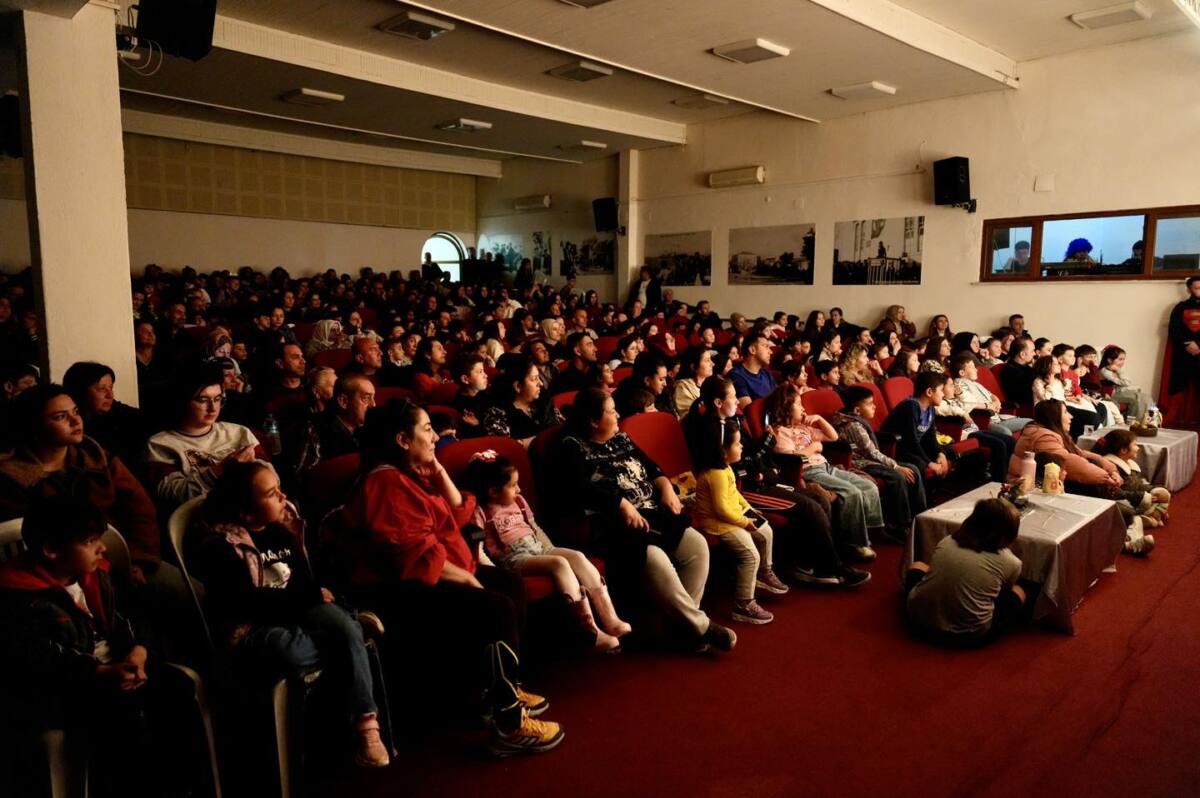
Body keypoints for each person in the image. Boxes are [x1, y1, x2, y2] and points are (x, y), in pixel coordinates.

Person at [336, 400, 564, 756]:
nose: (433, 437)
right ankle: (509, 724)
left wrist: (439, 471)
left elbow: (456, 513)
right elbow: (410, 554)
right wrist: (466, 578)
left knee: (509, 584)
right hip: (401, 588)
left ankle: (499, 690)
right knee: (496, 607)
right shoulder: (384, 483)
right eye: (426, 429)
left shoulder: (413, 473)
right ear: (401, 439)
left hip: (435, 569)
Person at [0, 496, 203, 797]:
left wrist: (139, 651)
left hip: (116, 667)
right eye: (91, 541)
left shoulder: (97, 576)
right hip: (67, 687)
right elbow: (39, 656)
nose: (102, 548)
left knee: (177, 686)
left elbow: (130, 616)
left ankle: (186, 786)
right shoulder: (18, 595)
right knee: (123, 716)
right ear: (52, 550)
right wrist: (100, 672)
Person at [190, 461, 390, 767]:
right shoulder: (224, 548)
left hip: (300, 614)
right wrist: (308, 598)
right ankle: (350, 636)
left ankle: (367, 724)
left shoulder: (282, 531)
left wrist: (311, 591)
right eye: (272, 494)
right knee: (293, 649)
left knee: (338, 625)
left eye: (279, 487)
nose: (283, 497)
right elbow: (248, 604)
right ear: (246, 512)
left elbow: (304, 581)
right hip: (255, 629)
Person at [558, 388, 736, 653]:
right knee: (656, 558)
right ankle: (700, 626)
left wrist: (665, 487)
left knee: (696, 546)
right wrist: (620, 504)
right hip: (614, 525)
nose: (618, 414)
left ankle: (683, 627)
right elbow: (579, 489)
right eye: (610, 411)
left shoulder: (622, 439)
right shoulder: (572, 446)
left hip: (651, 513)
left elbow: (653, 468)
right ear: (594, 421)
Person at [464, 452, 630, 653]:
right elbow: (478, 549)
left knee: (576, 556)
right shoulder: (480, 511)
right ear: (493, 491)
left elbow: (535, 528)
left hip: (539, 548)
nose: (519, 489)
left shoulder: (519, 501)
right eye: (513, 485)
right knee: (559, 563)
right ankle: (589, 632)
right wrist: (496, 574)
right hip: (514, 559)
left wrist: (550, 549)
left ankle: (609, 618)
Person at [765, 384, 881, 562]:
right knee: (852, 492)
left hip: (826, 467)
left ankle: (871, 530)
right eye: (798, 404)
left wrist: (819, 419)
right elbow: (793, 459)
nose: (803, 409)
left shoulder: (804, 428)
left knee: (869, 486)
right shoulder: (780, 432)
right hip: (809, 471)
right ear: (787, 407)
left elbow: (833, 436)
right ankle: (854, 544)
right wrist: (814, 446)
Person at [690, 418, 787, 625]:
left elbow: (735, 494)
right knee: (750, 554)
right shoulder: (715, 474)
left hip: (732, 516)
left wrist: (750, 510)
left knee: (766, 529)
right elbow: (721, 510)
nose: (742, 446)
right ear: (722, 451)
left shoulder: (725, 468)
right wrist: (745, 521)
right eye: (737, 443)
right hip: (718, 524)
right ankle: (743, 604)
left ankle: (764, 572)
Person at [904, 498, 1027, 646]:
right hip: (969, 635)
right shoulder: (1012, 562)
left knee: (918, 565)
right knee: (1019, 591)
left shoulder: (947, 541)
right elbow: (1004, 591)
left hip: (919, 620)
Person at [145, 364, 260, 510]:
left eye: (218, 399)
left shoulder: (239, 432)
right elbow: (175, 495)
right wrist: (220, 470)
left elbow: (271, 478)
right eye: (203, 400)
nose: (213, 408)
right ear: (183, 400)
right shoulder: (160, 444)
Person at [831, 386, 927, 543]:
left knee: (913, 469)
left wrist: (897, 465)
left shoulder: (858, 421)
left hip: (870, 460)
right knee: (897, 477)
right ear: (857, 410)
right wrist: (895, 466)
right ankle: (900, 525)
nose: (874, 406)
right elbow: (872, 453)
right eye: (869, 403)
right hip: (859, 463)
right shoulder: (853, 425)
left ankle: (920, 516)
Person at [1008, 400, 1121, 493]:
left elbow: (1080, 453)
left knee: (1093, 462)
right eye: (1066, 412)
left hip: (1046, 483)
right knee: (1091, 478)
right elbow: (1068, 462)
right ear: (1054, 417)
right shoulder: (1044, 437)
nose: (1071, 416)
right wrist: (1106, 478)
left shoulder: (1049, 433)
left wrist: (1111, 469)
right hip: (1029, 488)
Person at [62, 361, 149, 471]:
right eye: (102, 389)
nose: (110, 395)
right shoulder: (71, 425)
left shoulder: (119, 412)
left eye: (111, 388)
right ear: (81, 391)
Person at [1092, 429, 1169, 543]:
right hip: (1121, 501)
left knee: (1163, 493)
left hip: (1134, 498)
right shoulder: (1112, 468)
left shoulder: (1130, 465)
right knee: (1132, 515)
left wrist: (1153, 489)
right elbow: (1114, 493)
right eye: (1135, 444)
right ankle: (1133, 540)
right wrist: (1140, 497)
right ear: (1123, 450)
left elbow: (1138, 485)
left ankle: (1153, 516)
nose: (1138, 447)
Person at [480, 354, 564, 446]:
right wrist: (544, 438)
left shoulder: (543, 401)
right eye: (534, 379)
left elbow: (562, 426)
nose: (540, 383)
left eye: (539, 377)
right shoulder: (497, 413)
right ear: (518, 386)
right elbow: (505, 448)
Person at [1032, 355, 1101, 437]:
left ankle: (1085, 436)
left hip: (1062, 406)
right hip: (1049, 409)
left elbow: (1062, 395)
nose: (1058, 366)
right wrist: (1050, 384)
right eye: (1055, 364)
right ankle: (1084, 438)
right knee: (1091, 418)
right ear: (1046, 366)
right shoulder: (1038, 382)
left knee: (1098, 411)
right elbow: (1046, 399)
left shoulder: (1058, 381)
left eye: (1058, 363)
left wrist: (1071, 399)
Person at [1166, 276, 1200, 416]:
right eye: (1197, 288)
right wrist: (1187, 344)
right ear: (1189, 289)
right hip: (1184, 352)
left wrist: (1199, 345)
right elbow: (1174, 329)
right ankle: (1173, 419)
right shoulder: (1180, 307)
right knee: (1178, 384)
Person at [1099, 346, 1150, 420]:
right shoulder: (1104, 371)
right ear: (1109, 360)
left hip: (1119, 391)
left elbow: (1127, 382)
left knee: (1144, 397)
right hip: (1111, 394)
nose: (1122, 362)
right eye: (1120, 359)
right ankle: (1130, 422)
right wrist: (1118, 370)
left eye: (1123, 359)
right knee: (1135, 400)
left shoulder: (1116, 369)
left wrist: (1118, 370)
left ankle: (1143, 420)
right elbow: (1126, 382)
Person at [729, 332, 776, 408]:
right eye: (766, 346)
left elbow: (779, 399)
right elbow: (749, 410)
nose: (771, 352)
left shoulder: (766, 374)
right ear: (752, 350)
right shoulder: (736, 376)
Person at [548, 331, 598, 395]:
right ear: (577, 351)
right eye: (590, 344)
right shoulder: (564, 382)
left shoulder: (595, 369)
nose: (596, 349)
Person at [673, 346, 715, 418]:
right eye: (707, 360)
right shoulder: (682, 387)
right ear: (693, 366)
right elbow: (690, 417)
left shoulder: (713, 383)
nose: (712, 364)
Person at [999, 337, 1036, 408]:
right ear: (1022, 354)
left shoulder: (1026, 367)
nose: (1034, 354)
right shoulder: (1009, 370)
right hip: (1023, 409)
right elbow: (1030, 391)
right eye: (1032, 351)